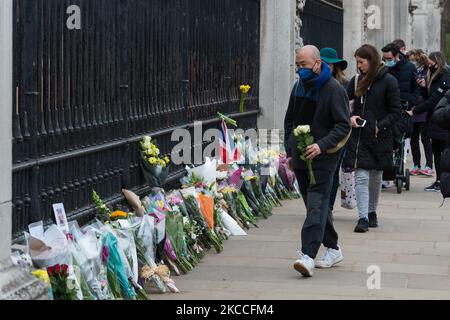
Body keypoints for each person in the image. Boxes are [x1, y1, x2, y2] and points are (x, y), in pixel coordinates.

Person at [284, 45, 351, 277]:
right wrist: (290, 152)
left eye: (303, 65)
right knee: (315, 206)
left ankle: (307, 255)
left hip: (325, 157)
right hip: (301, 157)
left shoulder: (334, 89)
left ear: (317, 63)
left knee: (316, 203)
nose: (299, 69)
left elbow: (343, 125)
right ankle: (333, 248)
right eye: (297, 65)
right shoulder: (299, 87)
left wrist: (321, 145)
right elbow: (289, 120)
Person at [343, 44, 402, 233]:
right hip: (359, 138)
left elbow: (396, 112)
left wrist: (380, 125)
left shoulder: (389, 81)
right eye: (357, 62)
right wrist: (350, 117)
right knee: (361, 176)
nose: (358, 66)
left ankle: (372, 211)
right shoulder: (355, 81)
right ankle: (363, 218)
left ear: (372, 60)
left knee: (375, 178)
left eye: (361, 62)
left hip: (379, 138)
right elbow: (344, 103)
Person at [409, 52, 450, 192]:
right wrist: (422, 87)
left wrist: (415, 110)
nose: (429, 66)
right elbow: (429, 97)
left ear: (437, 62)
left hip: (442, 121)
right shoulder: (435, 76)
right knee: (437, 151)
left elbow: (434, 101)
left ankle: (441, 182)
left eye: (431, 63)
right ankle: (439, 181)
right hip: (434, 119)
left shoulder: (445, 77)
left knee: (442, 153)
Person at [319, 47, 350, 214]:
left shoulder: (344, 84)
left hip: (337, 135)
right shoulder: (314, 82)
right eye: (322, 63)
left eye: (328, 64)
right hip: (318, 134)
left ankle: (328, 207)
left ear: (334, 66)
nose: (324, 66)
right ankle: (318, 204)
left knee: (332, 171)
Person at [407, 49, 434, 176]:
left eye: (413, 60)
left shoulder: (427, 71)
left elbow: (429, 90)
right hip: (413, 108)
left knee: (425, 138)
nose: (412, 62)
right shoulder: (411, 72)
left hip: (423, 108)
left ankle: (429, 165)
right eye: (410, 60)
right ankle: (416, 164)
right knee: (413, 138)